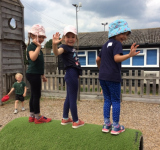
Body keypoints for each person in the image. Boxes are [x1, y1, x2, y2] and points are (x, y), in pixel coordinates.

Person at [96, 19, 140, 135]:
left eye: (126, 34)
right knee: (115, 100)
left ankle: (106, 124)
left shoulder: (105, 44)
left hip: (103, 77)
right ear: (116, 33)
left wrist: (102, 72)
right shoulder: (117, 44)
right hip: (113, 77)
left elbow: (97, 59)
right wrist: (129, 55)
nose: (125, 37)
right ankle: (116, 126)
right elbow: (116, 58)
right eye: (123, 34)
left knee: (107, 100)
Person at [52, 25, 84, 128]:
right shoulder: (64, 47)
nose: (70, 39)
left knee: (69, 97)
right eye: (68, 36)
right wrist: (54, 45)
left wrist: (78, 74)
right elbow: (57, 53)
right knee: (73, 98)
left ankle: (65, 118)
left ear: (76, 38)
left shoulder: (71, 48)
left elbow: (75, 62)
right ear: (64, 38)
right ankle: (75, 121)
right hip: (71, 73)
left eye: (73, 36)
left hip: (72, 74)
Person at [26, 24, 51, 124]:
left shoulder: (37, 47)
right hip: (33, 74)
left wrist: (43, 75)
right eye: (39, 36)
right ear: (32, 36)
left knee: (33, 95)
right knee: (37, 95)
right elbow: (33, 58)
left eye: (42, 37)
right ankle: (38, 116)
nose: (40, 39)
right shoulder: (32, 46)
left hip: (35, 74)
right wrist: (38, 47)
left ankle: (32, 115)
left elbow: (38, 64)